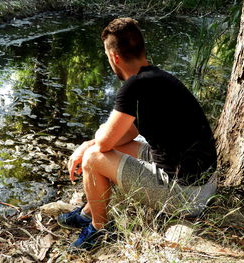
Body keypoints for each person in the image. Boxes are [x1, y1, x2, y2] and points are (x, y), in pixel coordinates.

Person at [57, 17, 217, 251]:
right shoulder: (161, 78)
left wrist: (85, 147)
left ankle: (98, 229)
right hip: (205, 186)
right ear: (141, 49)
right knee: (112, 146)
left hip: (186, 197)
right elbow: (124, 135)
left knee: (93, 158)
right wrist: (92, 142)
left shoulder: (133, 87)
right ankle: (88, 211)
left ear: (115, 58)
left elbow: (102, 144)